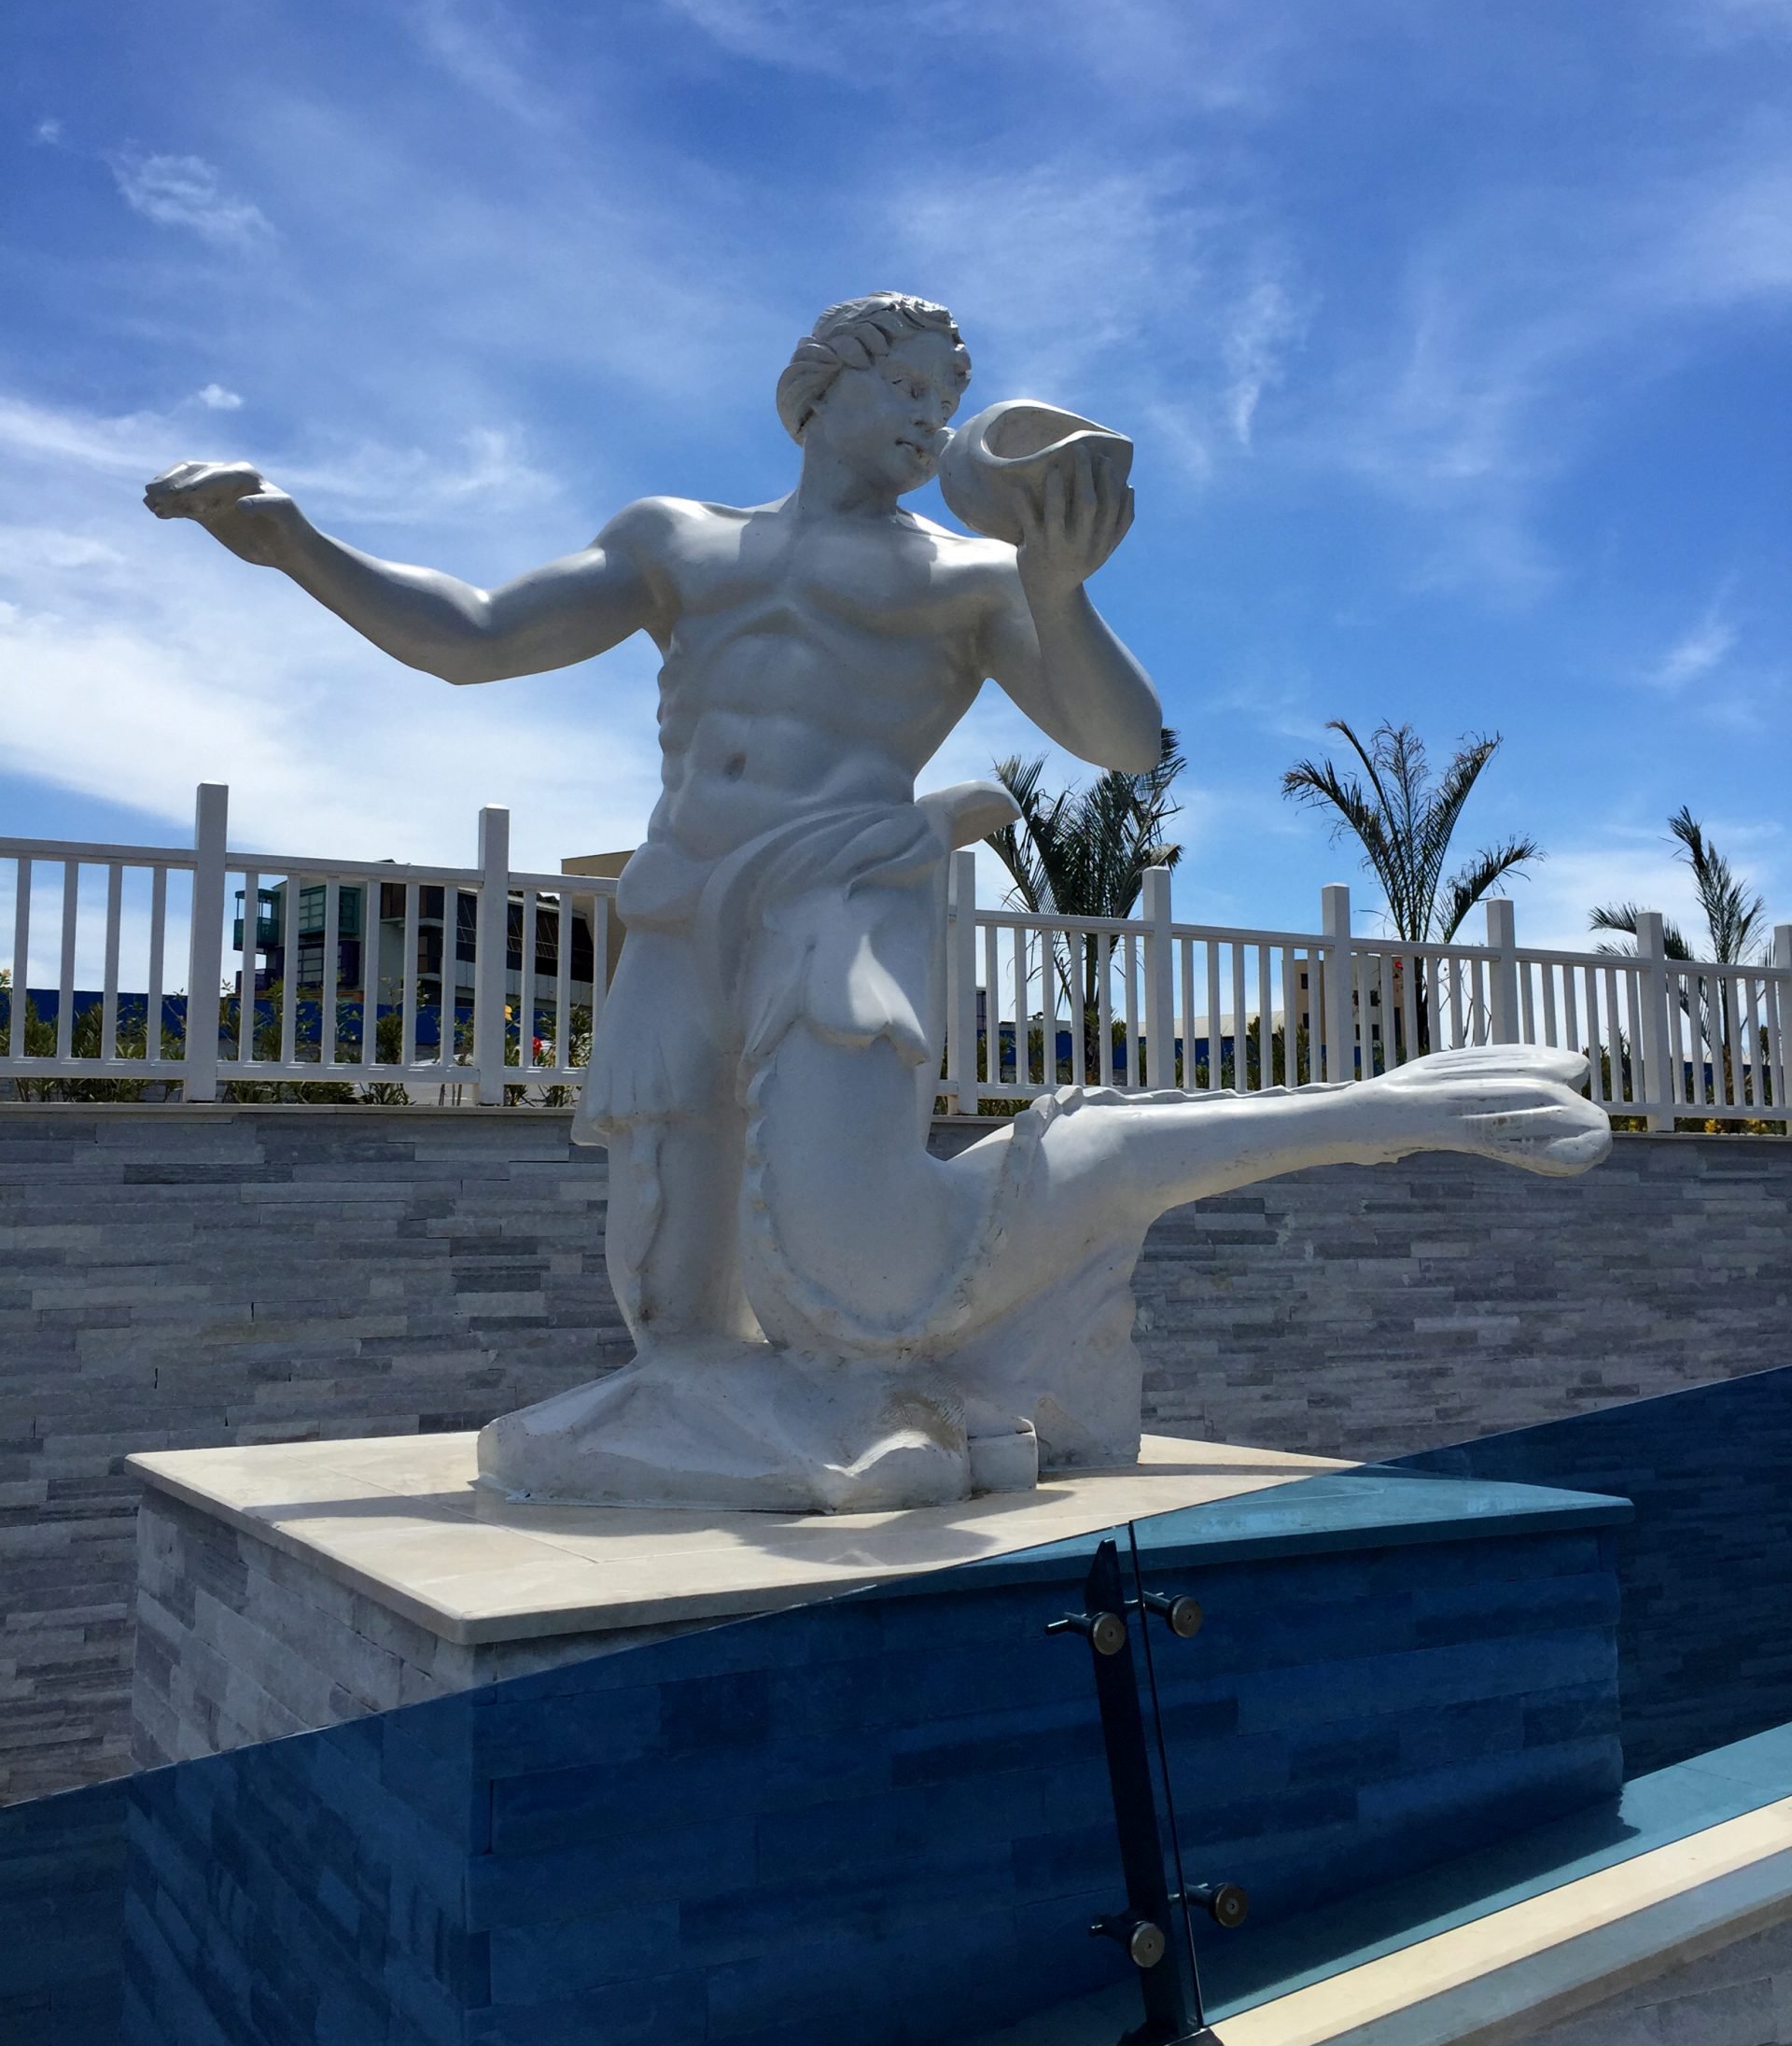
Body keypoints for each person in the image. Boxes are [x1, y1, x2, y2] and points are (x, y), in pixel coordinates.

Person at [147, 294, 1609, 1510]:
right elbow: (473, 638)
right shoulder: (674, 540)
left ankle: (1360, 1112)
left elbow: (1122, 744)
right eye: (902, 385)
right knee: (675, 1315)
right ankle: (803, 1416)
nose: (925, 414)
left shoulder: (968, 579)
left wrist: (1061, 587)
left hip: (839, 910)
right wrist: (300, 548)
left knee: (871, 1266)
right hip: (679, 917)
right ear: (814, 392)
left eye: (943, 398)